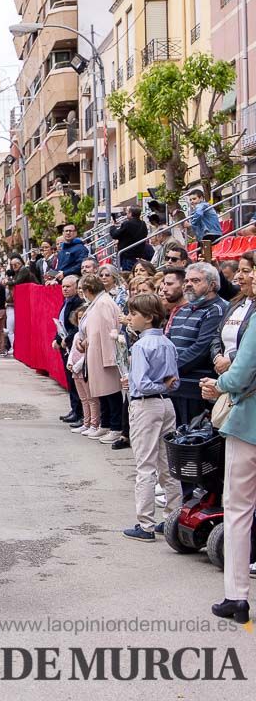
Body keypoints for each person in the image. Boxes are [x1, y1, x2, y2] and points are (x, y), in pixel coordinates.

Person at [200, 319, 256, 625]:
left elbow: (241, 372)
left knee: (238, 509)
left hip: (249, 425)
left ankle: (237, 595)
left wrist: (217, 386)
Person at [118, 294, 180, 541]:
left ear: (149, 318)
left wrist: (148, 383)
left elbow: (144, 384)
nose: (130, 318)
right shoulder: (167, 343)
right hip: (166, 406)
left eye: (134, 314)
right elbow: (174, 381)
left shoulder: (142, 346)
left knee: (146, 465)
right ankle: (172, 517)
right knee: (168, 465)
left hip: (146, 406)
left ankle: (145, 523)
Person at [167, 262, 228, 426]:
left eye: (195, 281)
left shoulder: (218, 309)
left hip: (196, 390)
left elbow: (201, 349)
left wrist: (169, 368)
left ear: (212, 285)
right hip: (175, 386)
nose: (188, 285)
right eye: (186, 281)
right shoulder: (182, 310)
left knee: (194, 441)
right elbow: (168, 343)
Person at [77, 274, 125, 443]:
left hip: (104, 354)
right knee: (103, 393)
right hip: (97, 352)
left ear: (88, 290)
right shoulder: (98, 302)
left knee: (111, 393)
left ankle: (116, 426)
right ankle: (106, 424)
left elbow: (107, 331)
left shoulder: (103, 303)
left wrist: (110, 358)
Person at [212, 251, 255, 377]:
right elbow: (217, 335)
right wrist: (217, 357)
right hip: (225, 376)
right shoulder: (235, 302)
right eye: (238, 271)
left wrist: (230, 359)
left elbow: (252, 347)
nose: (239, 276)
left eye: (245, 271)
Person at [53, 275, 85, 426]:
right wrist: (57, 339)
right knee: (70, 380)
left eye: (68, 286)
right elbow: (61, 323)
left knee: (76, 380)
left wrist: (67, 340)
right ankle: (74, 409)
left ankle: (80, 413)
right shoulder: (66, 302)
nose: (64, 289)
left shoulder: (77, 303)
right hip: (64, 344)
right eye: (63, 286)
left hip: (73, 345)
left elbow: (75, 326)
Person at [67, 305, 100, 438]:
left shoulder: (90, 336)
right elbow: (72, 351)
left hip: (84, 370)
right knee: (83, 399)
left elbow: (87, 354)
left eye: (84, 318)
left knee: (92, 399)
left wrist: (79, 365)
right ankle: (86, 423)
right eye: (79, 318)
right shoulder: (76, 335)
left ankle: (94, 423)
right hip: (75, 371)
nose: (81, 321)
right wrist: (70, 362)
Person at [110, 206, 152, 271]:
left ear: (130, 213)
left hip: (128, 256)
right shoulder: (142, 224)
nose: (126, 215)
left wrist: (112, 226)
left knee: (127, 274)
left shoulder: (127, 223)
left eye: (127, 213)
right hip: (138, 255)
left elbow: (115, 235)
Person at [187, 188, 223, 262]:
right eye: (190, 200)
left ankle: (204, 269)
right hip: (210, 233)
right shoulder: (200, 207)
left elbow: (199, 214)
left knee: (202, 255)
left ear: (201, 198)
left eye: (194, 199)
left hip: (211, 233)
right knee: (200, 254)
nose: (192, 201)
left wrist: (191, 224)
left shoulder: (202, 205)